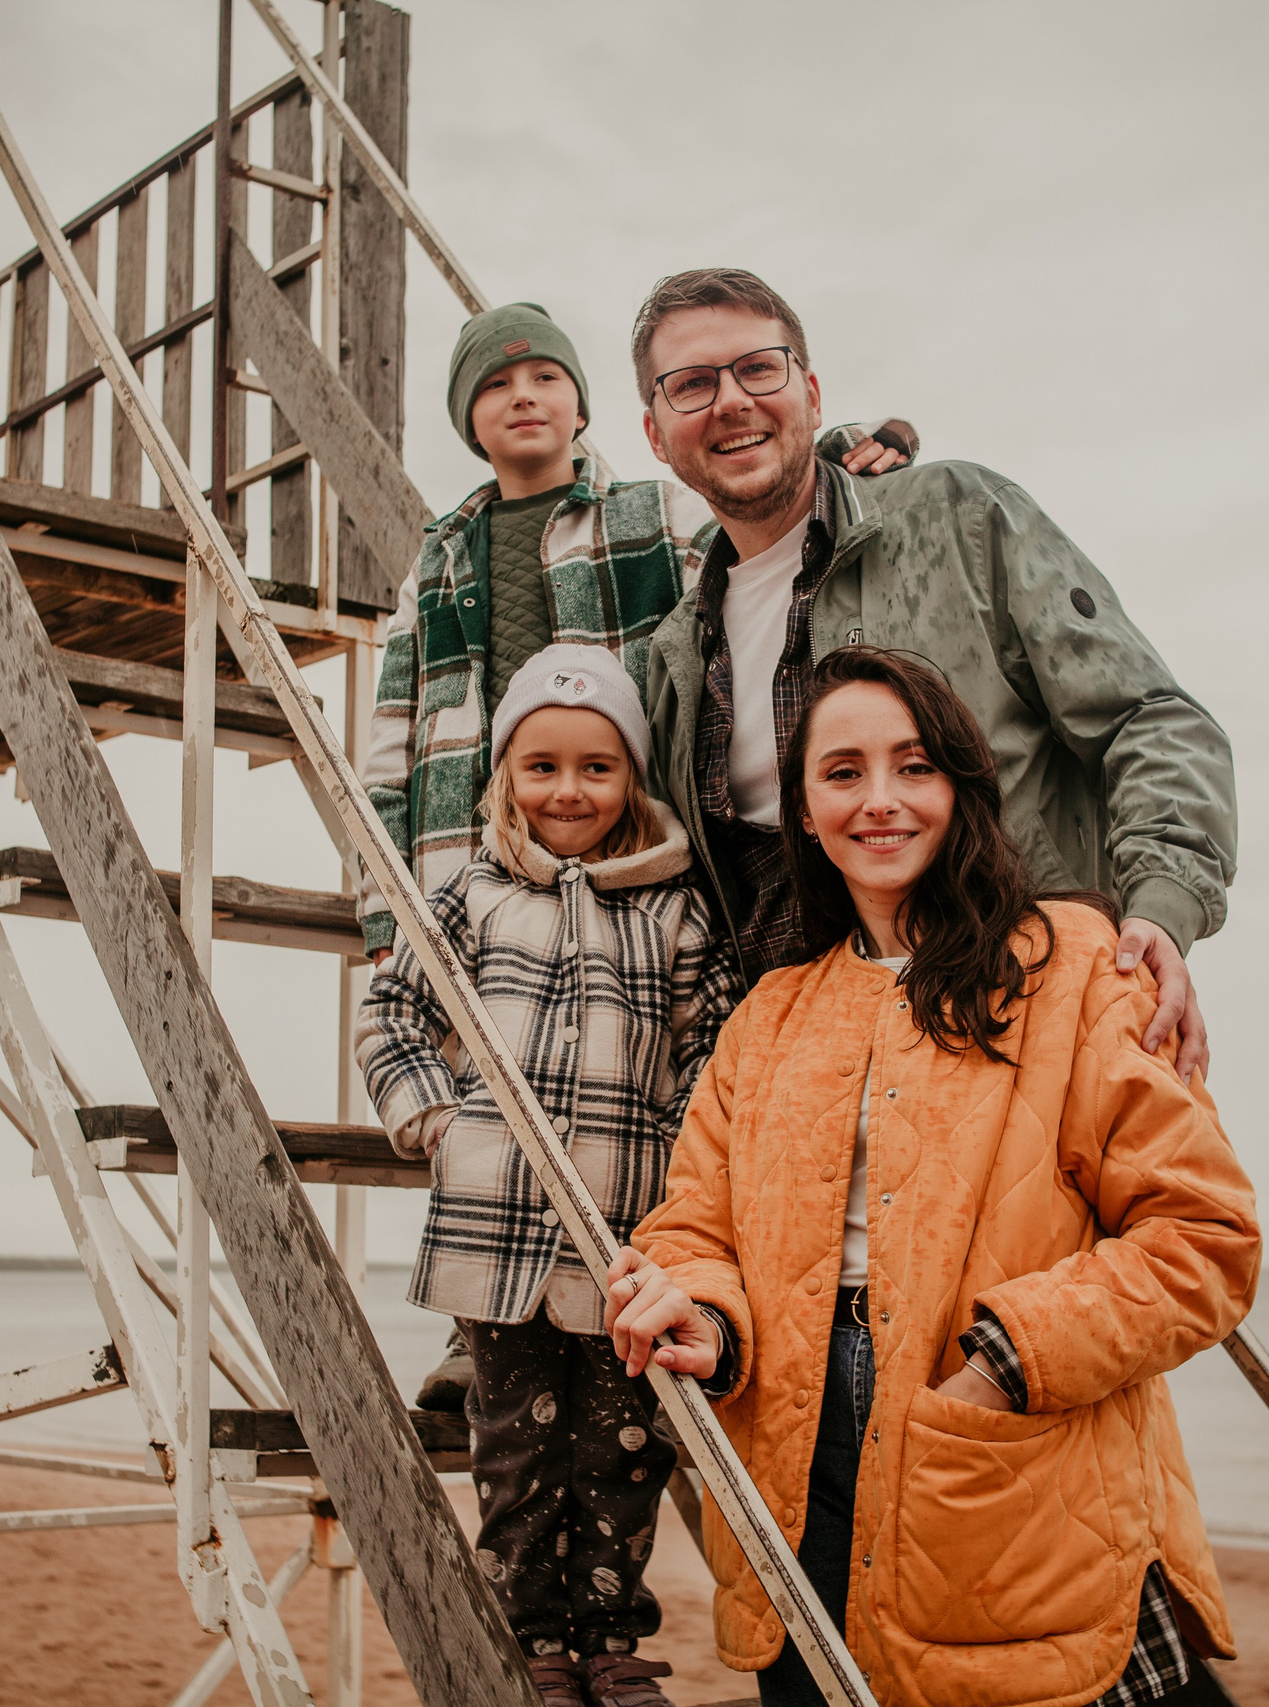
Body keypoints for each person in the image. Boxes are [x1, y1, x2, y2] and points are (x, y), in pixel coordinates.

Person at [604, 648, 1260, 1707]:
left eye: (913, 767)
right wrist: (705, 1318)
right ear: (804, 813)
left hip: (1014, 1439)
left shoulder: (1073, 965)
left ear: (960, 786)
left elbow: (1204, 1239)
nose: (880, 801)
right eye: (842, 772)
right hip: (787, 1464)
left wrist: (1002, 1361)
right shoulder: (768, 1016)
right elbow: (695, 1231)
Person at [357, 300, 912, 1411]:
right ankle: (490, 1327)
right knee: (493, 1085)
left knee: (604, 1077)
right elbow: (393, 718)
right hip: (470, 845)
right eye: (495, 384)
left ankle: (650, 1288)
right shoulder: (441, 551)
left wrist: (849, 462)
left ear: (584, 405)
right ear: (469, 421)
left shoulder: (644, 509)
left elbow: (749, 547)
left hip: (614, 843)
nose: (523, 396)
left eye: (546, 377)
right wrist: (384, 903)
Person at [631, 269, 1235, 1081]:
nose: (732, 400)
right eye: (692, 384)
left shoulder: (961, 518)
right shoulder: (673, 658)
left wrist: (1162, 907)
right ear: (655, 433)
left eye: (758, 368)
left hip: (1026, 1044)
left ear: (810, 392)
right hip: (817, 1101)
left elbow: (1150, 719)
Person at [355, 645, 745, 1707]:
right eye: (541, 768)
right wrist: (431, 1118)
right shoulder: (471, 893)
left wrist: (679, 1161)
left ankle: (612, 1639)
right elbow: (391, 1013)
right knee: (516, 1454)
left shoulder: (674, 906)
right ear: (503, 777)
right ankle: (535, 1641)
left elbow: (714, 1046)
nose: (567, 791)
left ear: (632, 779)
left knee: (623, 1450)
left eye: (595, 768)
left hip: (627, 1233)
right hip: (494, 1237)